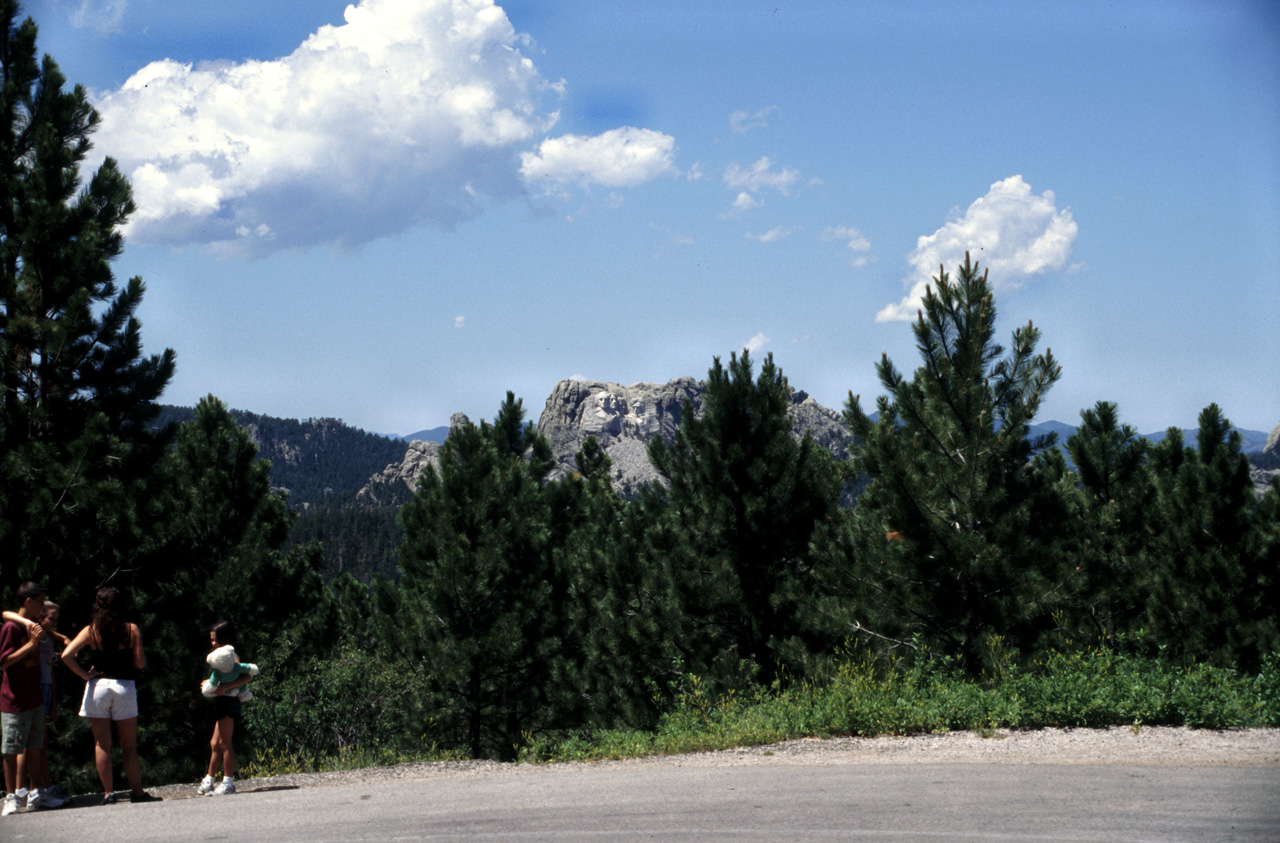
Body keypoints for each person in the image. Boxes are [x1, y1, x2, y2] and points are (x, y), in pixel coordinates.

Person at [60, 587, 160, 805]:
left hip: (99, 686)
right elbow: (140, 663)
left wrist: (85, 675)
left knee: (102, 743)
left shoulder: (91, 630)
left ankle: (108, 793)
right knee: (129, 745)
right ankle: (137, 791)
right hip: (123, 685)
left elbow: (67, 655)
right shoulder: (131, 629)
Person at [2, 599, 69, 809]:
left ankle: (39, 787)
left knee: (40, 743)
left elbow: (50, 665)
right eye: (50, 618)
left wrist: (55, 700)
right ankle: (25, 789)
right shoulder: (31, 631)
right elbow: (5, 613)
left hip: (46, 687)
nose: (54, 622)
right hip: (34, 686)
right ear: (39, 617)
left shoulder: (46, 636)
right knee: (30, 744)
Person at [1, 582, 46, 816]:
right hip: (15, 700)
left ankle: (34, 793)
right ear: (28, 602)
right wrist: (30, 645)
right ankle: (10, 797)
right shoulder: (10, 628)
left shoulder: (34, 624)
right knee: (11, 750)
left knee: (35, 747)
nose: (43, 606)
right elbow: (4, 661)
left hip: (34, 698)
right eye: (40, 602)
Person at [198, 620, 254, 796]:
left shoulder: (232, 657)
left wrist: (223, 688)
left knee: (225, 743)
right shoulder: (222, 658)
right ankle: (209, 779)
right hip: (223, 703)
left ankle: (228, 782)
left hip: (230, 703)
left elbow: (246, 678)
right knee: (215, 743)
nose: (212, 643)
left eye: (215, 639)